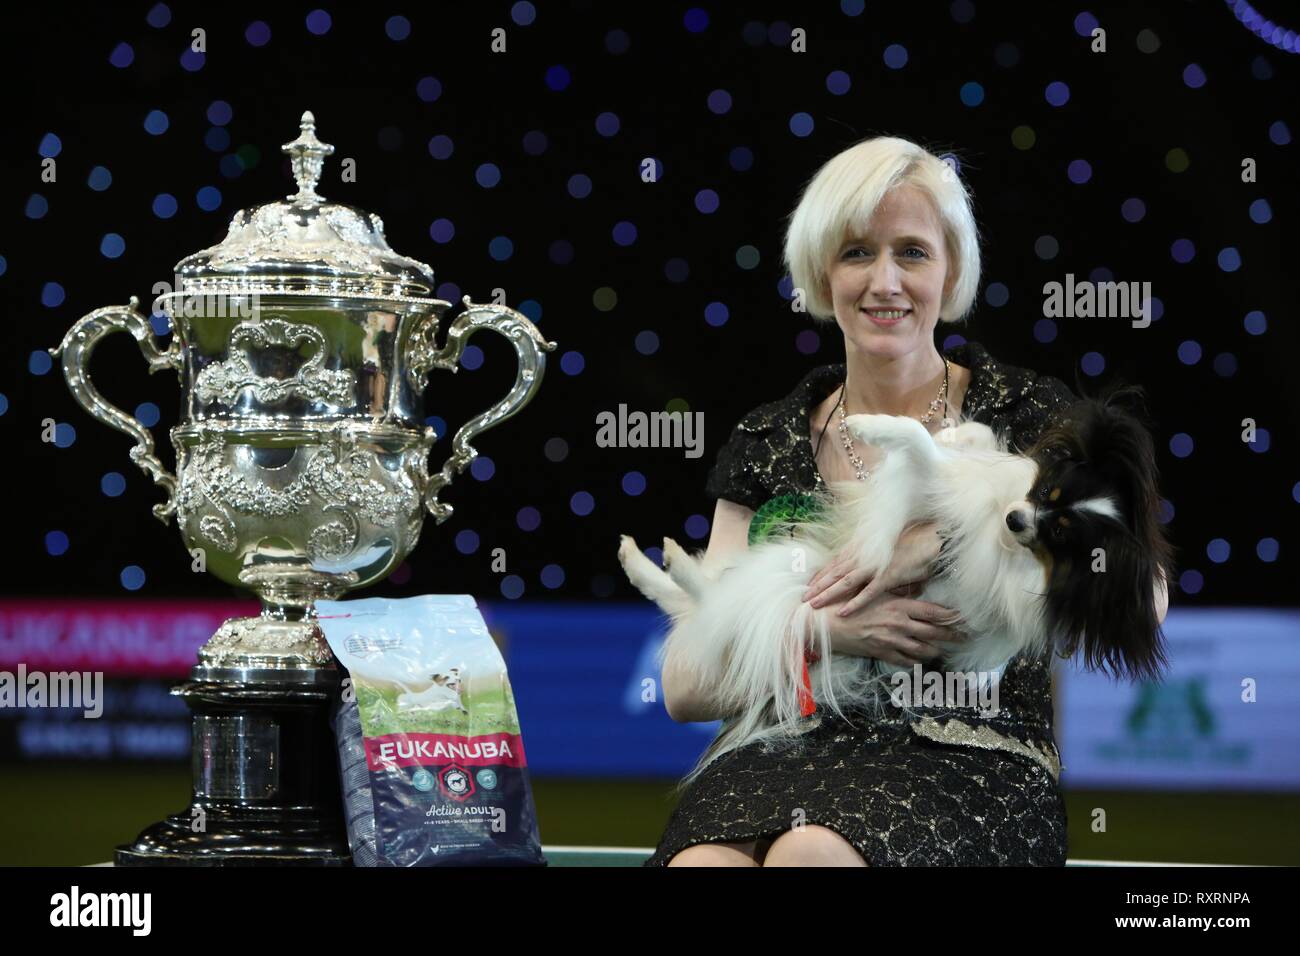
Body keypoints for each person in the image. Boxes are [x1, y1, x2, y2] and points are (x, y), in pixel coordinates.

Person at [644, 136, 1168, 867]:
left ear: (952, 271)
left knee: (812, 855)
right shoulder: (766, 438)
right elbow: (684, 687)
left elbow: (1141, 597)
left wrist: (955, 542)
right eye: (857, 251)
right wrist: (827, 628)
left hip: (970, 750)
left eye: (913, 253)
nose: (884, 280)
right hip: (780, 750)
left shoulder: (1030, 414)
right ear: (821, 273)